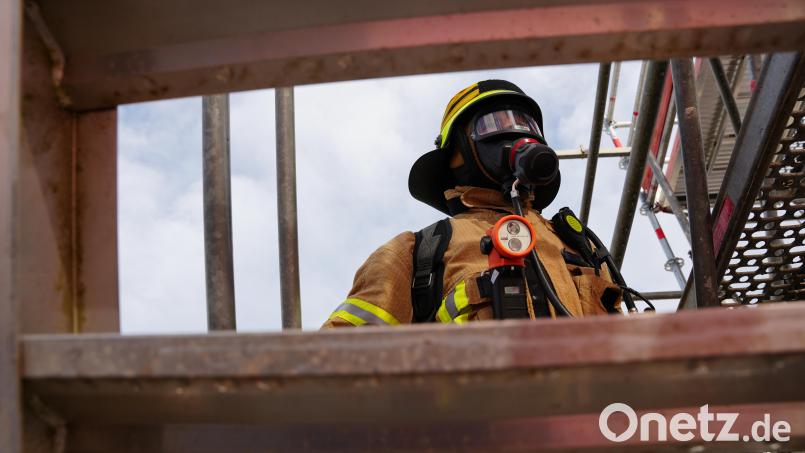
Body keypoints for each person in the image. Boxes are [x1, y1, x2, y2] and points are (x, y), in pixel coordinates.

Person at [322, 80, 623, 328]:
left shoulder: (579, 245)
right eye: (495, 123)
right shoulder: (417, 251)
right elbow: (341, 360)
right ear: (457, 154)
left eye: (525, 122)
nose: (517, 130)